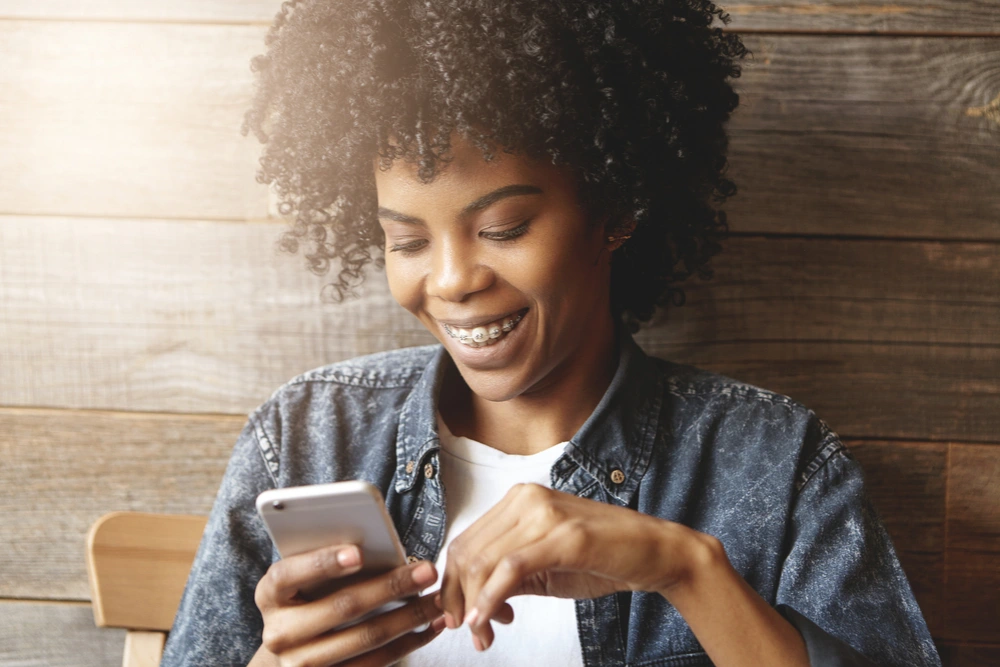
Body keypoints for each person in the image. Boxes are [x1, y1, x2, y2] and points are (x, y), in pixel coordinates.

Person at [161, 0, 942, 665]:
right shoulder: (305, 437)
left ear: (617, 208)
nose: (451, 279)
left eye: (504, 227)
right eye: (406, 241)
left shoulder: (772, 466)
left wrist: (682, 566)